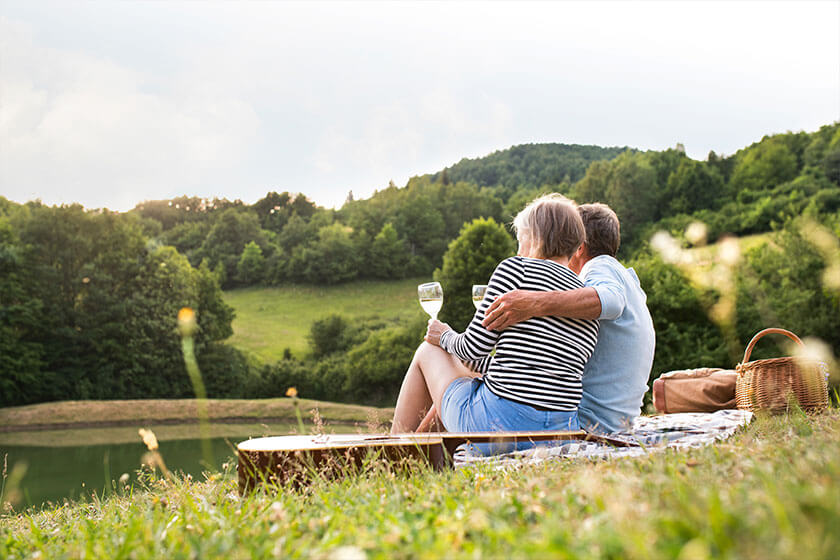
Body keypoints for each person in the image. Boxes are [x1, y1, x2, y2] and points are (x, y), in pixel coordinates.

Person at [391, 194, 599, 437]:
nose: (519, 249)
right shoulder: (584, 297)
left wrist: (444, 336)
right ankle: (418, 454)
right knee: (467, 374)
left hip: (497, 427)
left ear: (534, 238)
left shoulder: (515, 269)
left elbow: (471, 349)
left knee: (427, 351)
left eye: (520, 240)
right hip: (559, 431)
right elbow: (535, 370)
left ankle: (394, 452)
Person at [482, 203, 655, 433]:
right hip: (613, 421)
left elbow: (611, 301)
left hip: (587, 422)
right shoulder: (625, 279)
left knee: (464, 368)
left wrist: (534, 303)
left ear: (580, 248)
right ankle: (422, 451)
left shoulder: (599, 267)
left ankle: (422, 451)